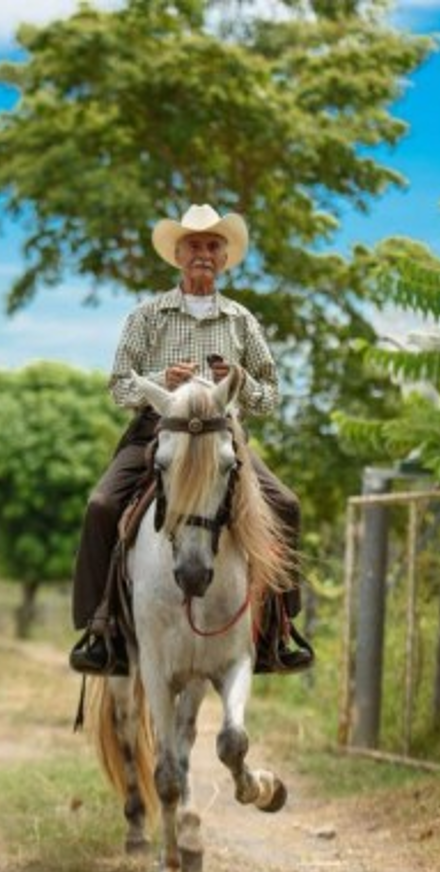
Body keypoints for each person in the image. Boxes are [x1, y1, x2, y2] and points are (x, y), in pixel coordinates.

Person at [69, 203, 313, 676]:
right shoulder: (147, 315)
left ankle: (278, 630)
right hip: (157, 431)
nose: (203, 253)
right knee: (101, 505)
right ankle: (101, 627)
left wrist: (238, 378)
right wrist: (163, 378)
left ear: (224, 258)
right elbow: (119, 385)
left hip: (223, 436)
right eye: (194, 245)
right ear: (178, 255)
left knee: (286, 504)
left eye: (212, 246)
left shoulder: (241, 320)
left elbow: (269, 395)